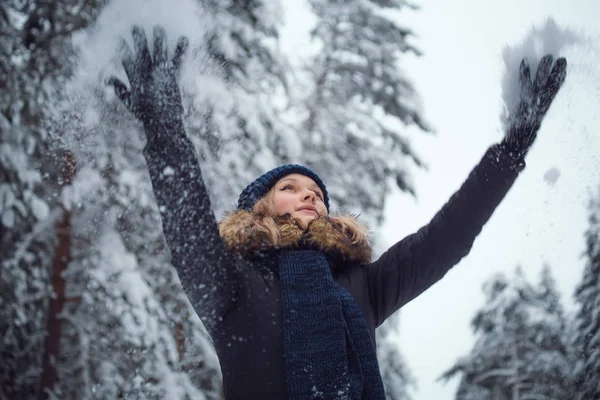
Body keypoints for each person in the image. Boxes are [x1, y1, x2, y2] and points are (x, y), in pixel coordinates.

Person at [108, 25, 567, 400]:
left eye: (317, 193)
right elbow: (187, 223)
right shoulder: (231, 282)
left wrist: (513, 146)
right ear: (259, 210)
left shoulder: (363, 284)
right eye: (290, 188)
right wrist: (162, 125)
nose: (310, 197)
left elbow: (447, 237)